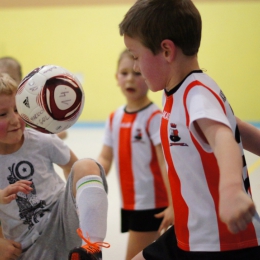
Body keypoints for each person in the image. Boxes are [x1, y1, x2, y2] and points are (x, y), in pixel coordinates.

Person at [119, 0, 260, 259]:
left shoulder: (196, 94)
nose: (136, 67)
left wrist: (231, 190)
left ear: (166, 51)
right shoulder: (178, 90)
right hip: (190, 231)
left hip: (220, 240)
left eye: (137, 57)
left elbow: (223, 137)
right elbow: (235, 125)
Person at [0, 73, 109, 260]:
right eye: (3, 114)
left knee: (86, 166)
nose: (15, 119)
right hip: (26, 245)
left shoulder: (43, 140)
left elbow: (73, 169)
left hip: (62, 221)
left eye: (18, 109)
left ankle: (91, 250)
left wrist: (77, 202)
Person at [97, 49, 173, 260]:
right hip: (130, 202)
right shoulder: (115, 118)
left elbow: (165, 162)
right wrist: (90, 177)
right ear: (116, 77)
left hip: (152, 204)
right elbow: (105, 157)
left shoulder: (154, 117)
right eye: (124, 73)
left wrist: (174, 204)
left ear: (148, 75)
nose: (130, 78)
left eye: (137, 73)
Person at [0, 56, 68, 140]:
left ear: (21, 80)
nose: (6, 82)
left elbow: (62, 133)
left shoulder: (33, 104)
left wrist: (39, 141)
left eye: (11, 78)